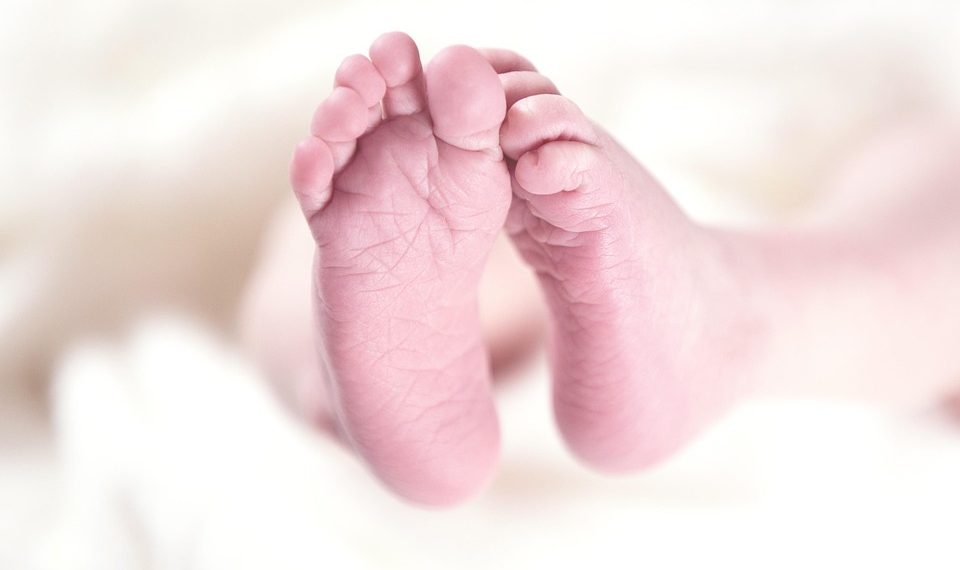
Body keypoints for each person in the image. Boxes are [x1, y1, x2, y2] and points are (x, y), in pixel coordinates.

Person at [240, 32, 960, 506]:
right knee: (367, 200)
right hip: (616, 200)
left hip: (784, 214)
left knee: (318, 235)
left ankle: (727, 311)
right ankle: (351, 368)